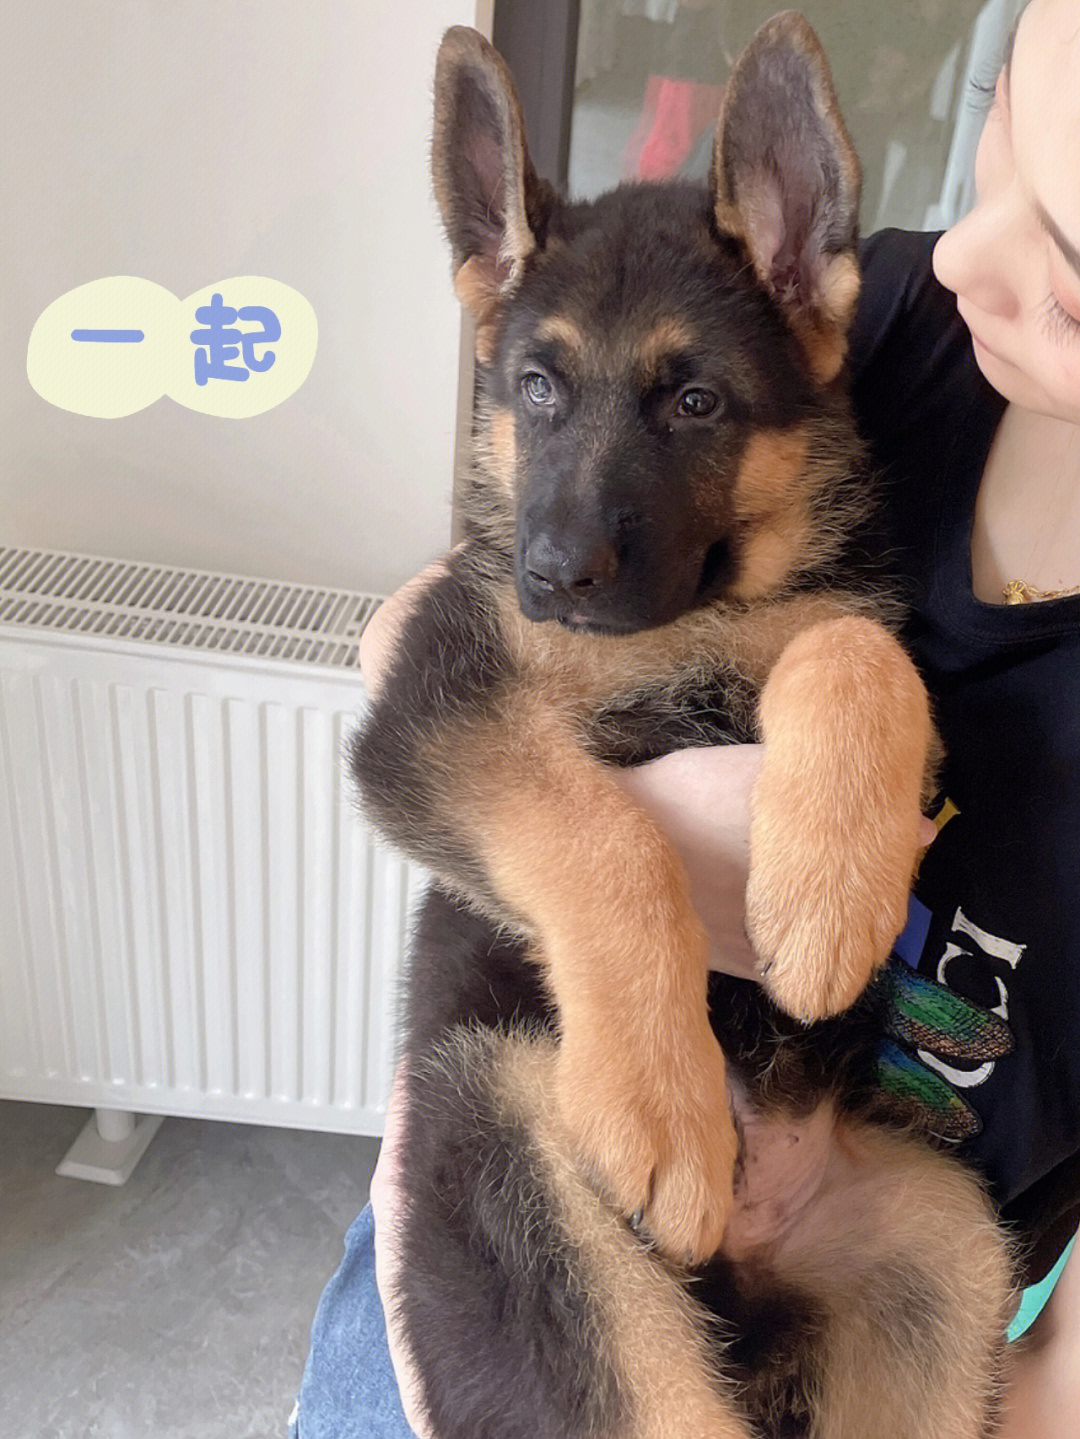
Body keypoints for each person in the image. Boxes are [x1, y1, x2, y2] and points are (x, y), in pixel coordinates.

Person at [290, 1, 1080, 1433]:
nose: (964, 250)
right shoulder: (921, 319)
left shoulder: (814, 460)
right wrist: (632, 882)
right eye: (1009, 125)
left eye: (1072, 271)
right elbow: (415, 679)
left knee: (940, 1243)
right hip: (552, 1142)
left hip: (857, 1199)